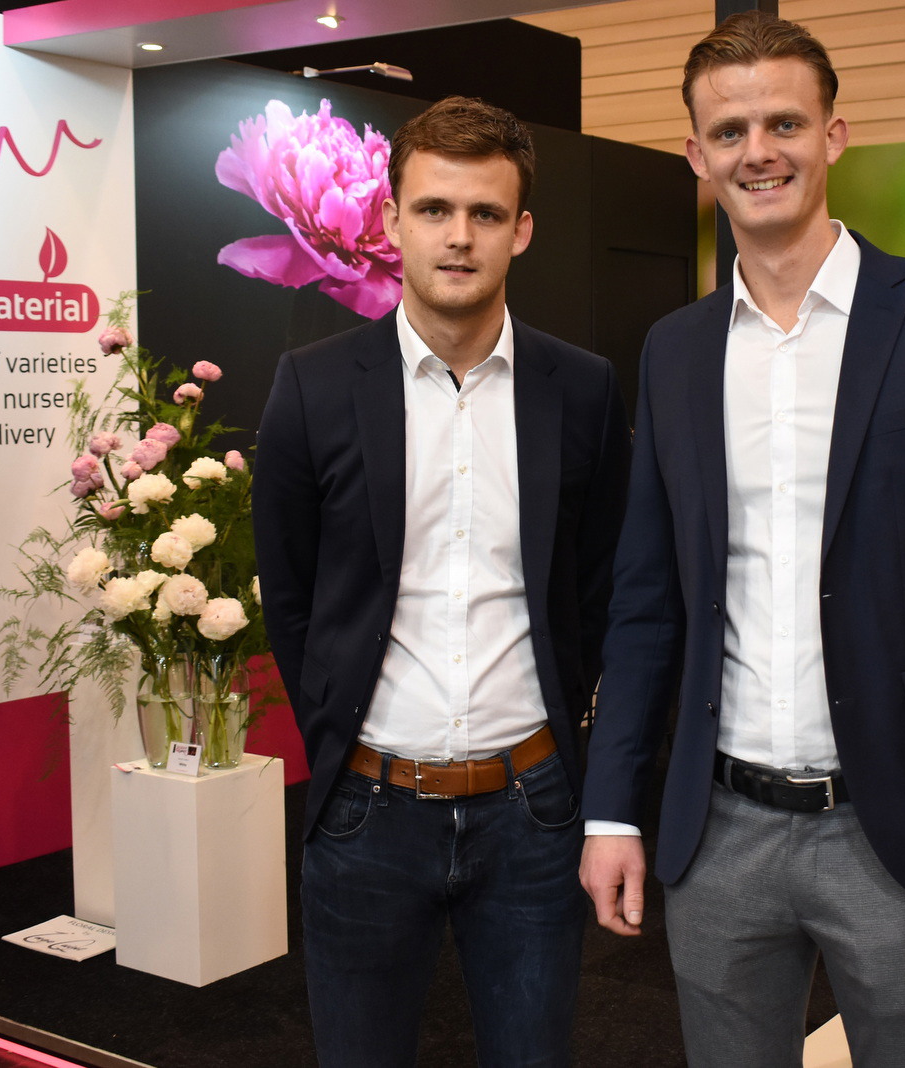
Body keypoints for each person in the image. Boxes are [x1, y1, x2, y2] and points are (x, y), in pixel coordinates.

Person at [578, 11, 905, 1067]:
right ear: (696, 155)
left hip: (898, 828)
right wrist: (611, 809)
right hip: (717, 830)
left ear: (834, 135)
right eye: (730, 131)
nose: (758, 151)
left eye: (784, 123)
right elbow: (645, 603)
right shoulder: (675, 350)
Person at [253, 95, 630, 1067]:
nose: (459, 236)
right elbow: (290, 594)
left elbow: (598, 589)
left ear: (521, 230)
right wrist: (336, 731)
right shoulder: (313, 386)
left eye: (485, 213)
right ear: (391, 220)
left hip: (534, 813)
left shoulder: (582, 390)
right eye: (433, 209)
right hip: (365, 811)